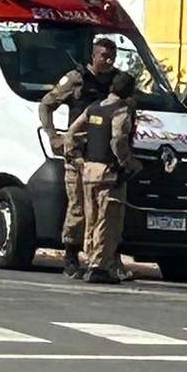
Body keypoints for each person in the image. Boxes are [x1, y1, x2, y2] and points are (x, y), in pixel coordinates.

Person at [37, 37, 118, 279]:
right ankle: (71, 257)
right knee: (78, 206)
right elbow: (46, 105)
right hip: (79, 155)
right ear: (93, 56)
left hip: (104, 156)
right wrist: (53, 136)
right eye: (103, 55)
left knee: (104, 210)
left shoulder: (117, 82)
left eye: (111, 56)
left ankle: (104, 259)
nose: (108, 60)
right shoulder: (77, 79)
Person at [67, 71, 141, 285]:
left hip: (89, 171)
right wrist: (128, 163)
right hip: (109, 174)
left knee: (91, 219)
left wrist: (76, 157)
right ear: (128, 92)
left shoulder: (94, 108)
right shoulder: (121, 111)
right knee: (108, 221)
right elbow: (118, 140)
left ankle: (90, 261)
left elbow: (71, 133)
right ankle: (99, 267)